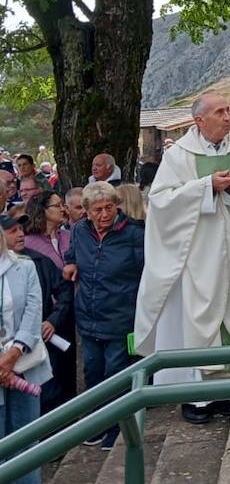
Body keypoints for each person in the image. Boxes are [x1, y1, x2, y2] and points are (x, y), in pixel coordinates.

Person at [135, 92, 230, 424]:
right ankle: (197, 399)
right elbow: (160, 203)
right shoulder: (180, 157)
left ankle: (228, 394)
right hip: (197, 254)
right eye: (219, 112)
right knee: (198, 320)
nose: (228, 117)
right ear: (199, 120)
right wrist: (204, 187)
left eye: (229, 111)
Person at [64, 181, 145, 449]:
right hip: (88, 316)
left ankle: (117, 428)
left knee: (115, 372)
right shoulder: (79, 232)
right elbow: (71, 255)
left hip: (121, 316)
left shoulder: (134, 233)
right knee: (93, 371)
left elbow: (148, 270)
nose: (104, 214)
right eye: (98, 209)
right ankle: (98, 424)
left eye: (109, 207)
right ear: (86, 211)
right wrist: (70, 263)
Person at [0, 220, 49, 484]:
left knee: (26, 429)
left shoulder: (25, 266)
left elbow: (33, 310)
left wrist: (13, 353)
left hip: (23, 360)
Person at [12, 209, 75, 413]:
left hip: (43, 344)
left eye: (21, 229)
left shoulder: (39, 261)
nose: (21, 234)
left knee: (49, 398)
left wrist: (53, 320)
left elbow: (65, 291)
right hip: (8, 353)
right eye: (13, 231)